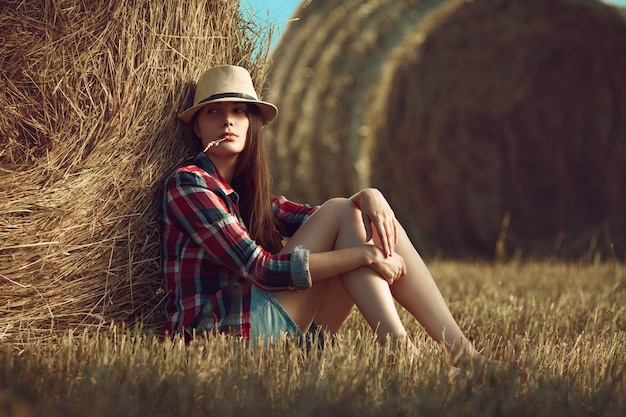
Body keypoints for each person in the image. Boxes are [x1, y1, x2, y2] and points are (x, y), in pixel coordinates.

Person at [161, 65, 499, 369]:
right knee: (342, 213)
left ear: (252, 123)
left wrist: (369, 196)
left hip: (265, 329)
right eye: (213, 112)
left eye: (238, 111)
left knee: (353, 214)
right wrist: (363, 254)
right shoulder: (188, 183)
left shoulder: (248, 193)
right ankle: (401, 350)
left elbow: (323, 218)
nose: (227, 120)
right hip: (220, 340)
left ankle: (461, 352)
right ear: (197, 128)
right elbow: (261, 270)